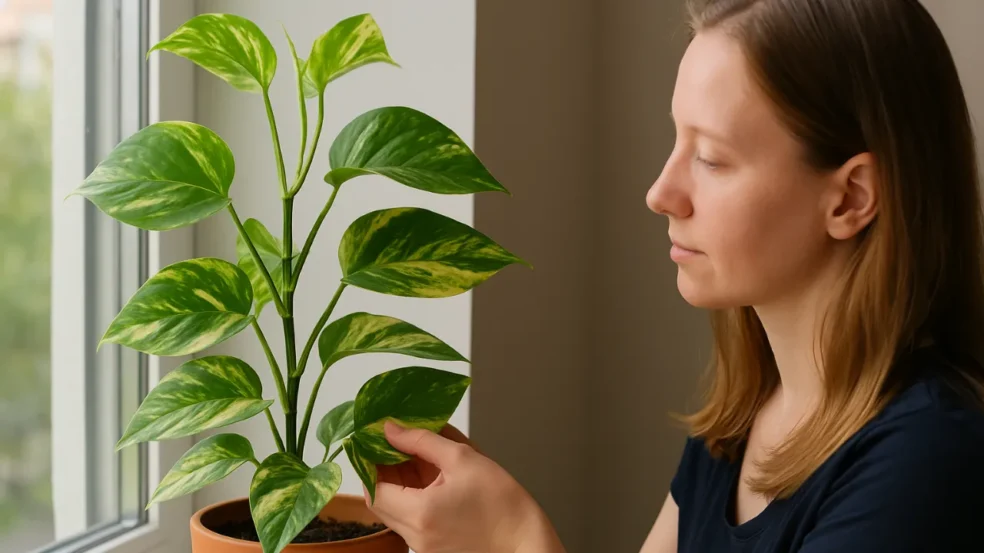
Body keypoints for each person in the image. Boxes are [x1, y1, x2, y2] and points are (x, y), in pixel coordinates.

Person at [362, 0, 984, 551]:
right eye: (675, 139)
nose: (661, 192)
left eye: (711, 158)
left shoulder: (929, 459)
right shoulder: (739, 428)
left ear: (850, 199)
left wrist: (515, 540)